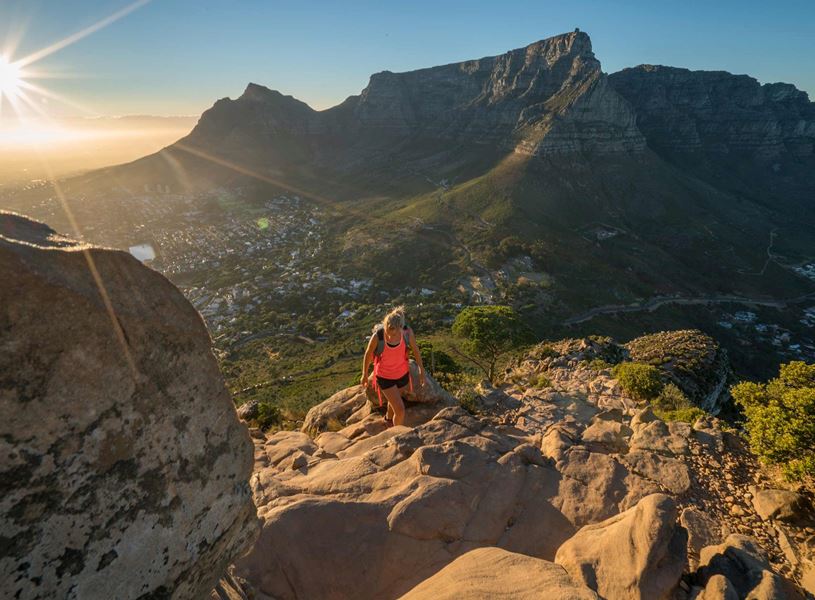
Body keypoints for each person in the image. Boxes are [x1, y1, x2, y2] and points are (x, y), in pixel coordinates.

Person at [361, 306, 425, 427]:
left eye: (395, 334)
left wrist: (421, 370)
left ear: (401, 328)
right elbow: (368, 354)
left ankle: (388, 419)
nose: (390, 337)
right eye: (388, 333)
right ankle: (396, 436)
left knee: (394, 402)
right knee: (400, 410)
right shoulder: (378, 337)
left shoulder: (407, 333)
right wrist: (364, 374)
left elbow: (416, 351)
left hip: (402, 375)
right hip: (384, 377)